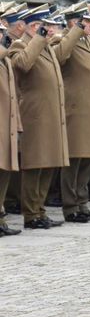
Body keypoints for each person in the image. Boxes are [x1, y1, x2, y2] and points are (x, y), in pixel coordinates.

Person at [8, 5, 71, 229]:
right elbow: (23, 64)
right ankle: (31, 213)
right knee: (34, 165)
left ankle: (40, 210)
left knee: (49, 163)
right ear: (35, 26)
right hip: (33, 114)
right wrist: (40, 38)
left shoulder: (45, 45)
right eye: (47, 26)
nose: (52, 29)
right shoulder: (20, 44)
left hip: (50, 113)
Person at [57, 1, 90, 224]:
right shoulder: (65, 38)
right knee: (74, 160)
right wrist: (76, 30)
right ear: (74, 21)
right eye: (86, 21)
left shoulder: (87, 40)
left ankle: (82, 203)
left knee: (88, 159)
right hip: (75, 111)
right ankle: (70, 206)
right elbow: (60, 57)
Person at [0, 16, 20, 236]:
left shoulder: (4, 57)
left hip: (7, 121)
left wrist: (18, 123)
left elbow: (13, 95)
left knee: (5, 172)